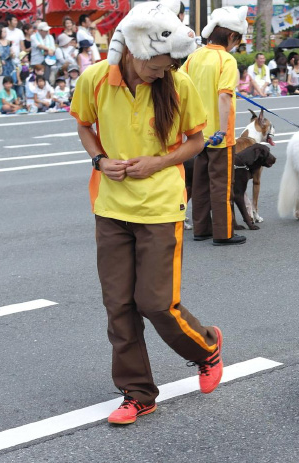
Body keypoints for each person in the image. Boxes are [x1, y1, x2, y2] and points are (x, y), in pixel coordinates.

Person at [70, 1, 223, 424]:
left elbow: (197, 139)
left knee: (156, 303)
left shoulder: (179, 83)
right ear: (136, 49)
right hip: (110, 206)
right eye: (157, 65)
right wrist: (100, 160)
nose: (163, 72)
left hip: (160, 207)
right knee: (118, 305)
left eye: (168, 65)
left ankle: (207, 347)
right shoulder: (95, 79)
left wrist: (159, 161)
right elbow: (83, 124)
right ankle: (137, 393)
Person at [182, 5, 248, 246]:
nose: (237, 45)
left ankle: (201, 228)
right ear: (231, 35)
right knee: (221, 183)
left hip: (197, 134)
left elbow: (181, 91)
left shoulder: (194, 57)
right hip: (220, 135)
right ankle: (223, 232)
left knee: (199, 182)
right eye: (237, 40)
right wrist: (222, 129)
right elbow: (224, 96)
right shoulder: (226, 60)